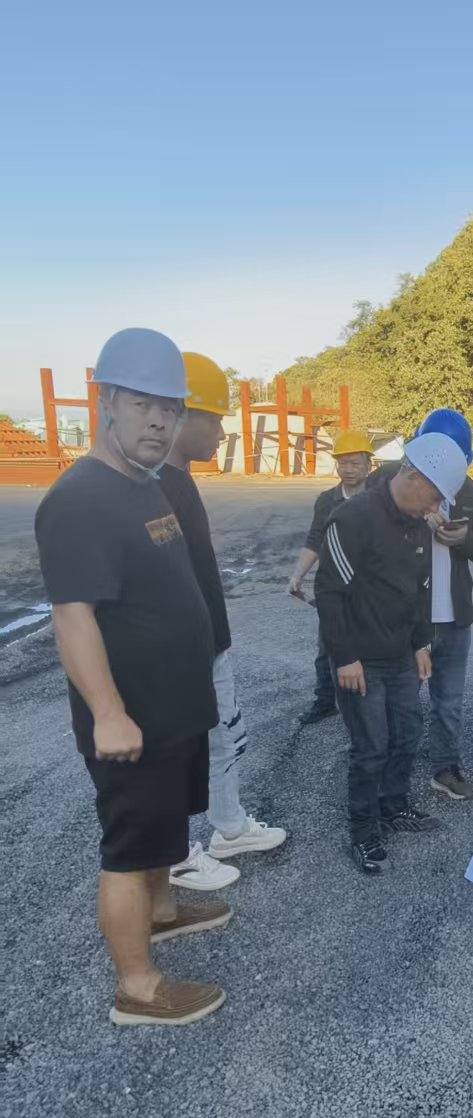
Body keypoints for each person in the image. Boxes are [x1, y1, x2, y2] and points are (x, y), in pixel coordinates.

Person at [34, 328, 227, 1027]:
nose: (158, 421)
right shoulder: (80, 498)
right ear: (106, 402)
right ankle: (137, 989)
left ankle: (164, 909)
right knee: (128, 847)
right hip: (132, 720)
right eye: (143, 404)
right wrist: (109, 713)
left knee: (166, 825)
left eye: (169, 409)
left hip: (174, 708)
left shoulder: (145, 484)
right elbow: (73, 616)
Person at [160, 353, 288, 892]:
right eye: (213, 419)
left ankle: (230, 827)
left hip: (207, 640)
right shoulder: (156, 486)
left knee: (224, 736)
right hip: (184, 650)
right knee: (177, 747)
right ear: (181, 413)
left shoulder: (177, 481)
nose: (220, 432)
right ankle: (172, 855)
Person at [315, 433, 469, 873]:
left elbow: (420, 590)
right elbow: (328, 592)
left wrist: (420, 642)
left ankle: (394, 805)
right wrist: (345, 657)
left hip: (401, 654)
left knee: (406, 733)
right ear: (413, 476)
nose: (436, 507)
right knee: (371, 747)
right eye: (435, 496)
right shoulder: (352, 518)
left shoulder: (418, 523)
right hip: (359, 660)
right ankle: (364, 831)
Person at [414, 409, 473, 801]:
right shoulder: (400, 483)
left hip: (454, 615)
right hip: (410, 619)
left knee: (449, 702)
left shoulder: (468, 489)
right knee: (400, 700)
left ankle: (445, 769)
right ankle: (390, 773)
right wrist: (418, 518)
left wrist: (463, 539)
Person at [288, 429, 374, 724]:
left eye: (354, 463)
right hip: (334, 587)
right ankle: (325, 701)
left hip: (371, 588)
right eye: (342, 463)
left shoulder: (380, 498)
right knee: (327, 646)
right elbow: (315, 539)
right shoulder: (327, 501)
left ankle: (370, 703)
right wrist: (298, 576)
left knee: (372, 647)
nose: (348, 469)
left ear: (368, 466)